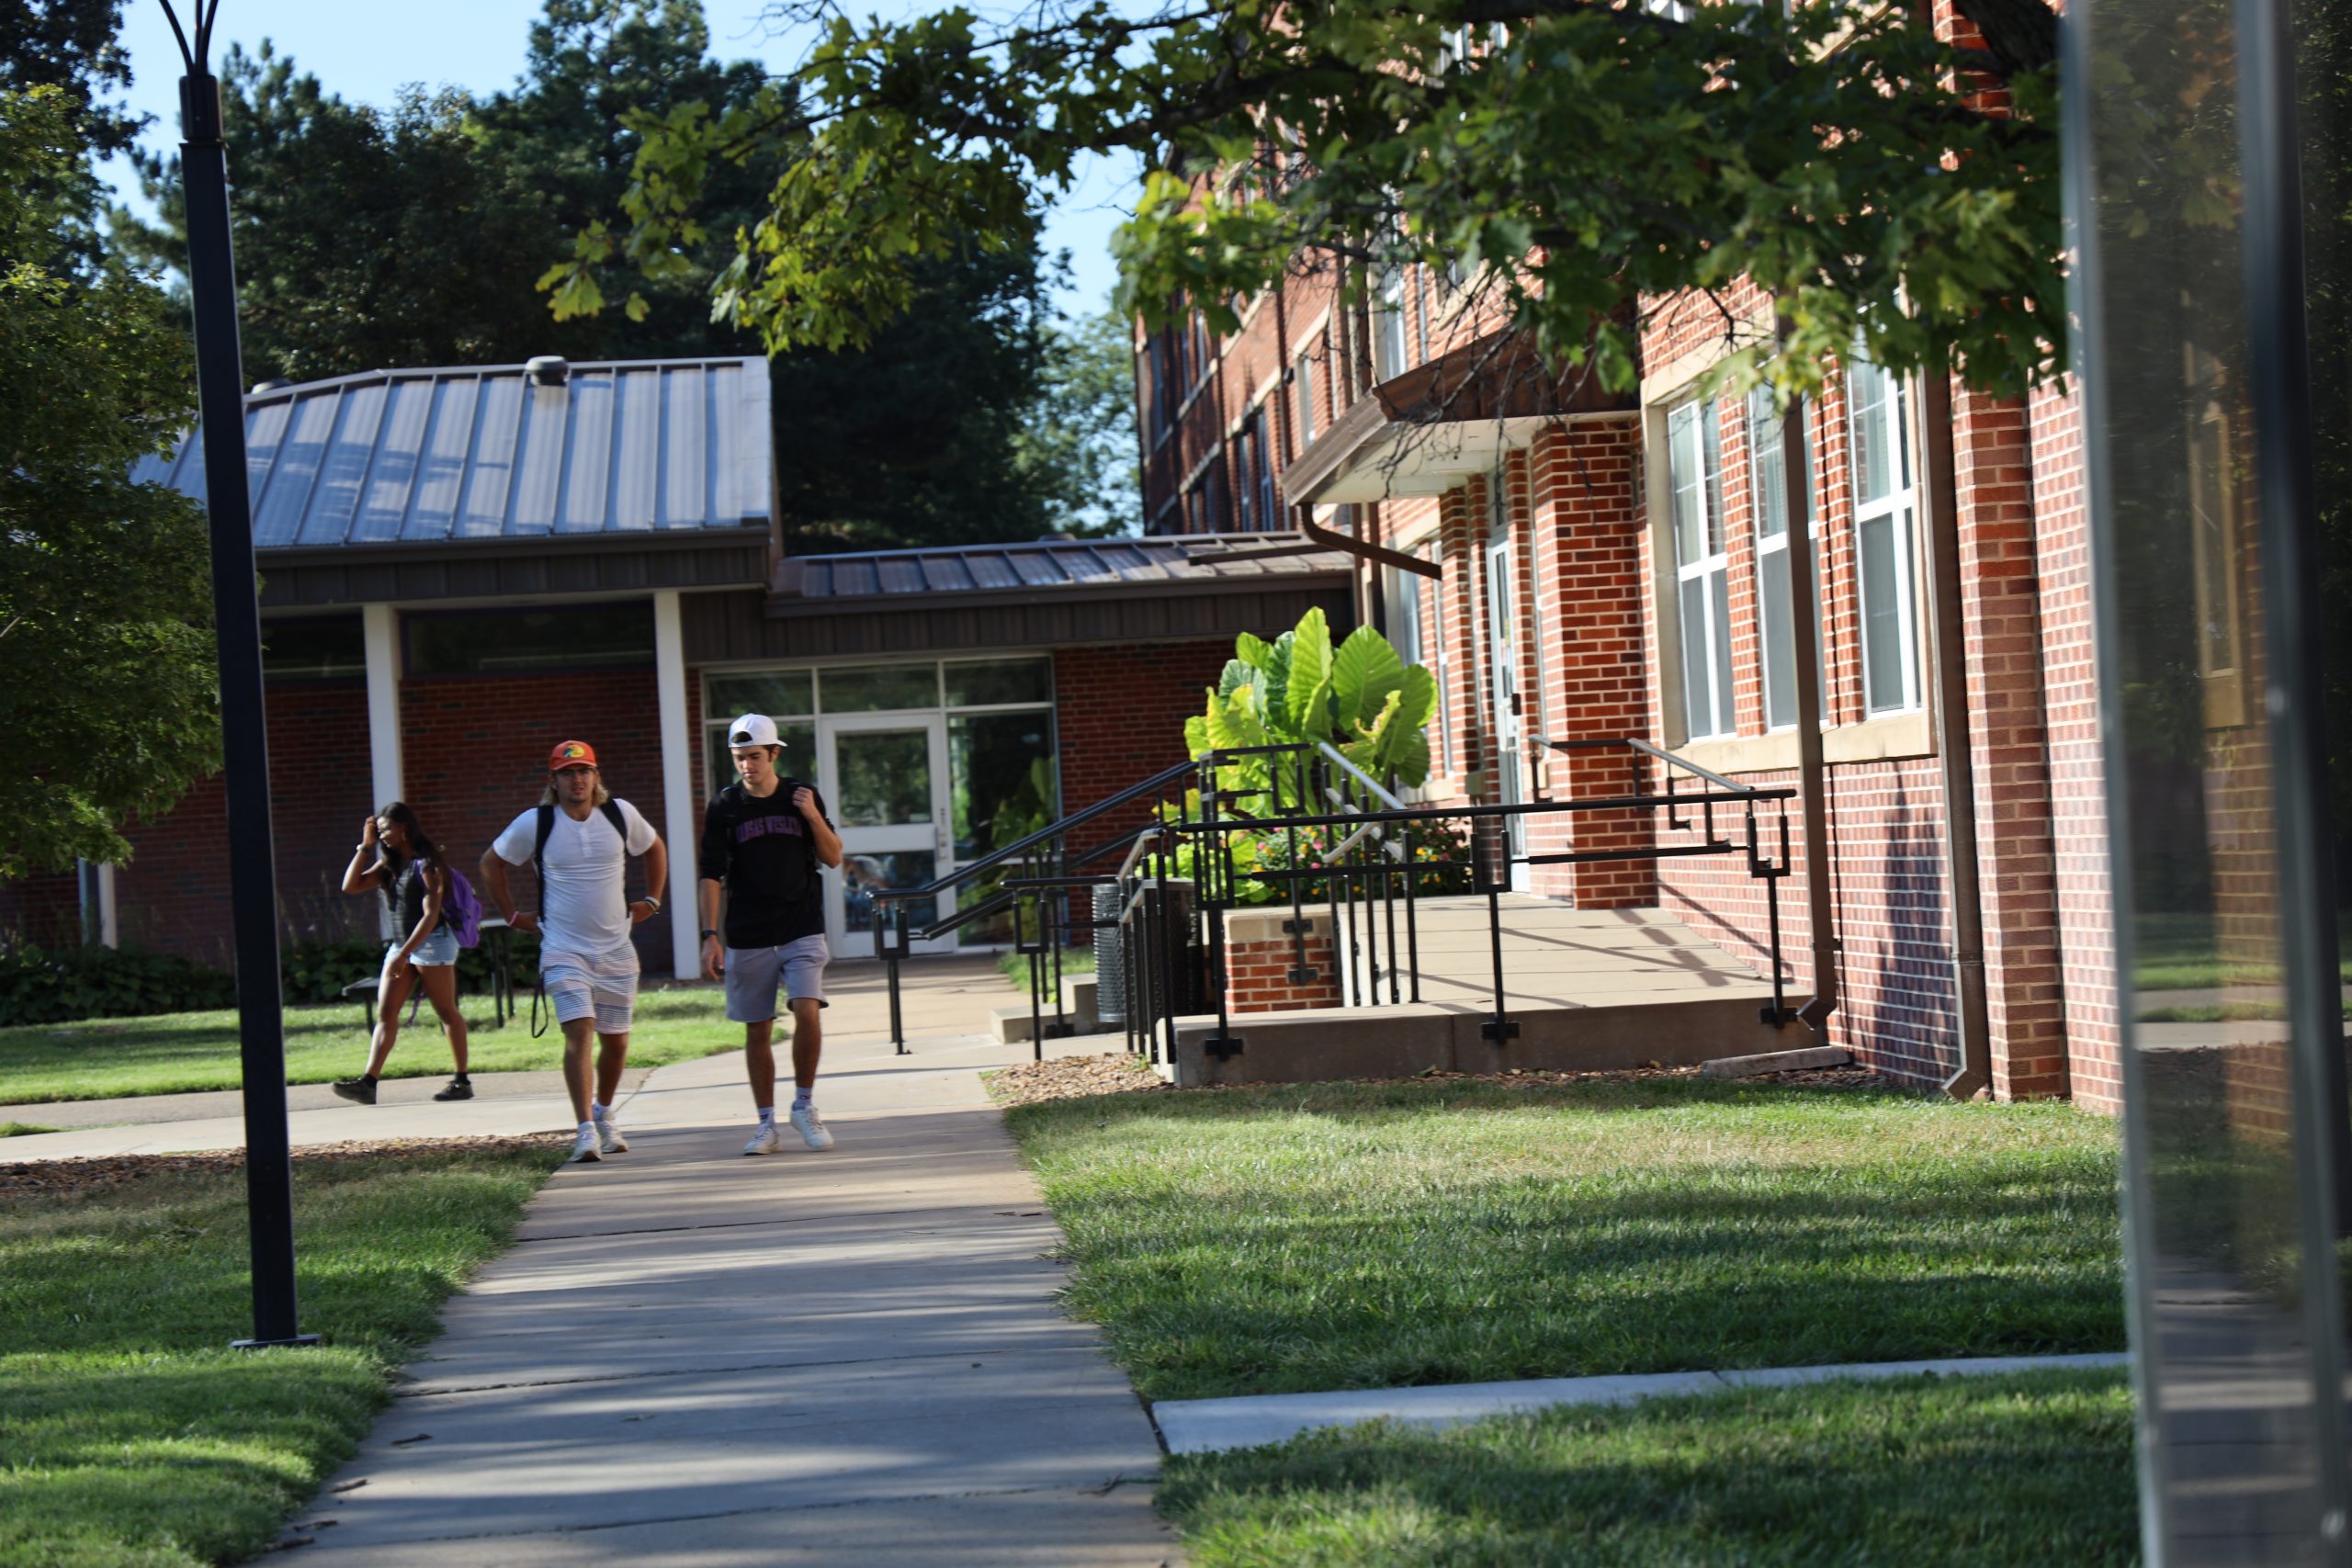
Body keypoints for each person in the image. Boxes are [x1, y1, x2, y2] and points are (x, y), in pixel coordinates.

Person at [479, 740, 667, 1165]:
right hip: (563, 948)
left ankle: (603, 1112)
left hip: (617, 948)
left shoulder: (619, 815)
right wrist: (510, 915)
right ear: (553, 781)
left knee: (616, 1043)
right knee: (579, 1032)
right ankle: (585, 1129)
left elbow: (655, 848)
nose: (577, 779)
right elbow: (491, 863)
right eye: (567, 773)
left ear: (596, 776)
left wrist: (652, 900)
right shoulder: (537, 823)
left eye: (584, 771)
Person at [698, 713, 843, 1156]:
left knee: (807, 1009)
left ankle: (804, 1105)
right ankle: (766, 1125)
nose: (747, 766)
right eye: (740, 758)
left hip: (800, 926)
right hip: (748, 933)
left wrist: (812, 816)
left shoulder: (802, 795)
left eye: (755, 757)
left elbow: (834, 857)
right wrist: (709, 934)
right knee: (757, 1029)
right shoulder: (724, 807)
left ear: (774, 754)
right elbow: (710, 874)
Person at [333, 802, 471, 1105]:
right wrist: (364, 846)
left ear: (404, 828)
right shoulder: (389, 866)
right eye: (379, 831)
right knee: (386, 1014)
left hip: (432, 942)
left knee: (446, 1010)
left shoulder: (428, 865)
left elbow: (431, 914)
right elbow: (350, 886)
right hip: (402, 946)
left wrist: (404, 954)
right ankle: (368, 1083)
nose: (382, 835)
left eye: (385, 830)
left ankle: (462, 1080)